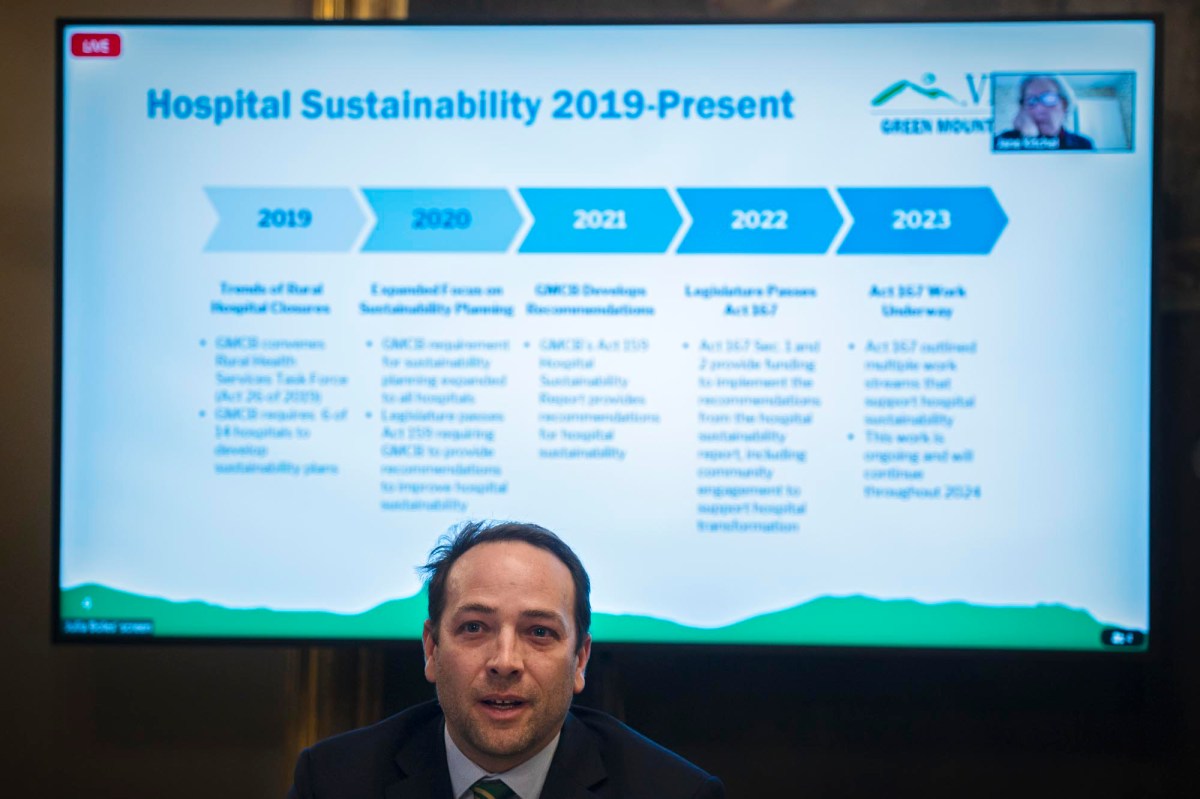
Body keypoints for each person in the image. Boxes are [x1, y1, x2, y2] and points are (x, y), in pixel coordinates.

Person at [287, 521, 726, 798]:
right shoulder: (333, 780)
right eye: (475, 627)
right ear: (431, 648)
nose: (505, 661)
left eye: (539, 632)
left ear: (580, 660)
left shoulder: (676, 792)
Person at [994, 75, 1094, 151]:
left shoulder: (1083, 145)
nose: (1039, 109)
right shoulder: (1002, 141)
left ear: (1064, 104)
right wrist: (1029, 139)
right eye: (1031, 100)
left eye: (1049, 98)